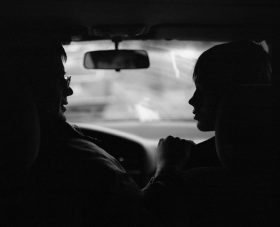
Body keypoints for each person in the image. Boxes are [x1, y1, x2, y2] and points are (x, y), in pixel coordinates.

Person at [3, 35, 191, 227]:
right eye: (60, 81)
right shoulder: (79, 165)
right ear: (28, 89)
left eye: (66, 80)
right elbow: (145, 217)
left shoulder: (29, 154)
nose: (69, 91)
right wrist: (168, 168)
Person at [159, 41, 276, 226]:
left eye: (204, 90)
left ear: (237, 95)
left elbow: (144, 215)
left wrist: (166, 166)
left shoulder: (199, 182)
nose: (192, 100)